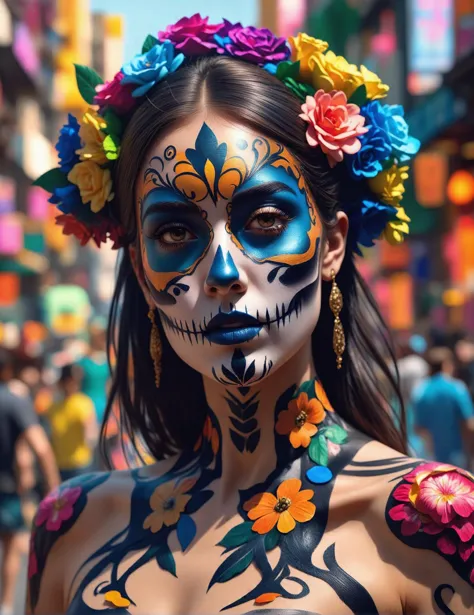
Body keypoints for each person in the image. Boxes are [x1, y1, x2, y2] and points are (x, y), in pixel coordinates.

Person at [28, 17, 473, 615]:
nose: (223, 271)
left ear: (332, 243)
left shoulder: (429, 525)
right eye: (177, 230)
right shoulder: (72, 525)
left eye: (264, 220)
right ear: (139, 269)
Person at [0, 349, 59, 615]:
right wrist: (56, 488)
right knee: (12, 547)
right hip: (7, 489)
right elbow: (42, 447)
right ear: (7, 371)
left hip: (10, 487)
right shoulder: (14, 401)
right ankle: (5, 605)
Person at [413, 347, 474, 468]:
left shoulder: (421, 390)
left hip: (430, 459)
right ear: (446, 365)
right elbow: (469, 423)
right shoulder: (456, 388)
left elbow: (418, 428)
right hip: (457, 455)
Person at [47, 365, 98, 482]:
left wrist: (90, 433)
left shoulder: (84, 403)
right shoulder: (53, 406)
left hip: (80, 463)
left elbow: (90, 431)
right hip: (59, 464)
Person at [77, 321, 110, 425]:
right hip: (86, 405)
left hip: (104, 404)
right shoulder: (83, 361)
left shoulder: (108, 360)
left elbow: (109, 385)